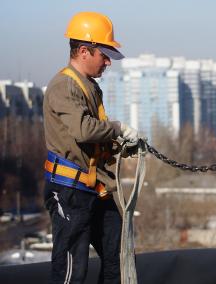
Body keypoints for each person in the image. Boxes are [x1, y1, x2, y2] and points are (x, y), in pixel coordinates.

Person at [43, 12, 139, 283]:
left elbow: (92, 139)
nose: (108, 61)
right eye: (104, 54)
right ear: (84, 51)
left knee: (119, 257)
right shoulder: (64, 85)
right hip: (70, 192)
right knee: (73, 271)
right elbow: (83, 130)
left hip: (95, 189)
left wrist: (119, 145)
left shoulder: (90, 87)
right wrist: (119, 129)